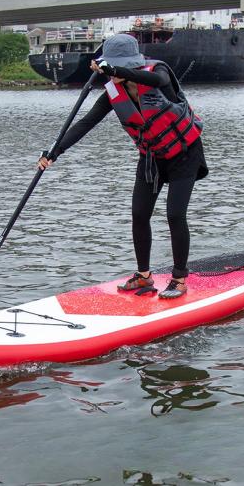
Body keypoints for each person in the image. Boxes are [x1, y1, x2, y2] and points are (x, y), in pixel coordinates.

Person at [38, 34, 208, 299]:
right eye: (110, 69)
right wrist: (55, 151)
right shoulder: (112, 94)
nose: (112, 76)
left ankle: (179, 278)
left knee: (175, 214)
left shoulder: (157, 72)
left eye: (117, 68)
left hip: (184, 153)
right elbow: (86, 123)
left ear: (131, 64)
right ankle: (144, 277)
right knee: (139, 215)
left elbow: (159, 81)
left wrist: (116, 70)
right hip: (152, 158)